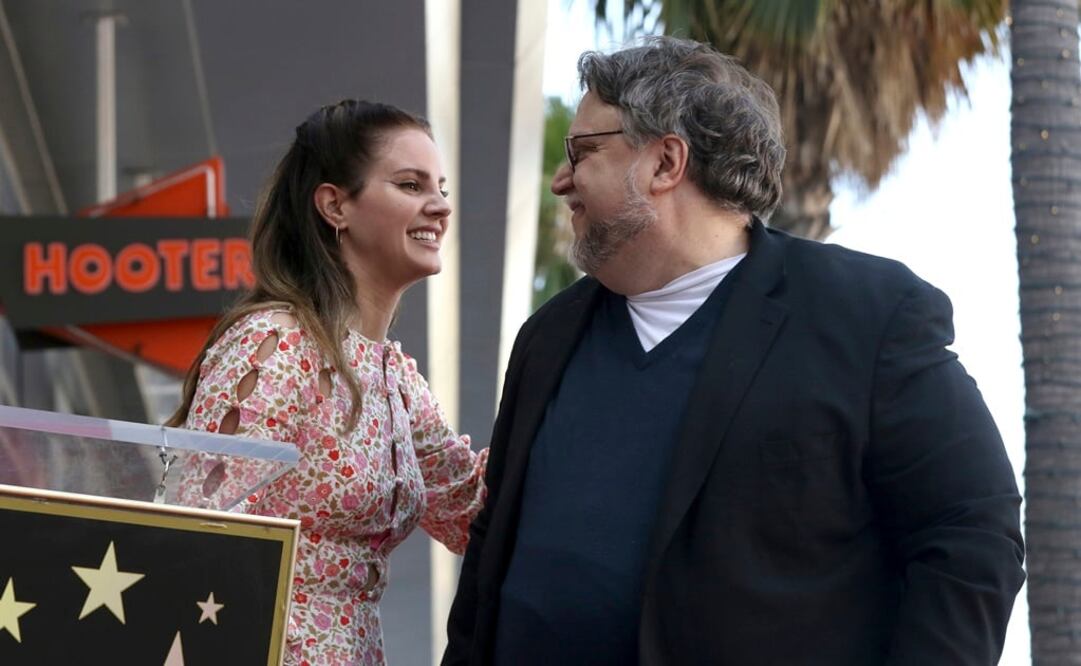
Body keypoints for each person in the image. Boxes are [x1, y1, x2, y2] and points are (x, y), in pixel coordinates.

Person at [443, 37, 1024, 665]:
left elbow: (971, 533)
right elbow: (489, 553)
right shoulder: (548, 335)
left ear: (665, 162)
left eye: (582, 152)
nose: (562, 180)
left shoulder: (868, 315)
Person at [166, 99, 487, 666]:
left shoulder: (400, 381)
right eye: (411, 185)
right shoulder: (274, 344)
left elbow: (475, 513)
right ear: (335, 205)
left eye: (440, 186)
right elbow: (200, 534)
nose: (440, 206)